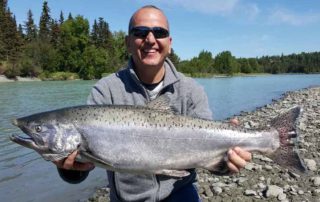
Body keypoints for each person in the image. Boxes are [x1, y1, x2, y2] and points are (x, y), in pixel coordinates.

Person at [54, 5, 252, 202]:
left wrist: (226, 164)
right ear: (128, 42)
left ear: (169, 42)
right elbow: (85, 165)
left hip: (180, 193)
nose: (150, 39)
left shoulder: (191, 91)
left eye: (159, 32)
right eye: (140, 32)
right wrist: (71, 170)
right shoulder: (106, 90)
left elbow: (206, 153)